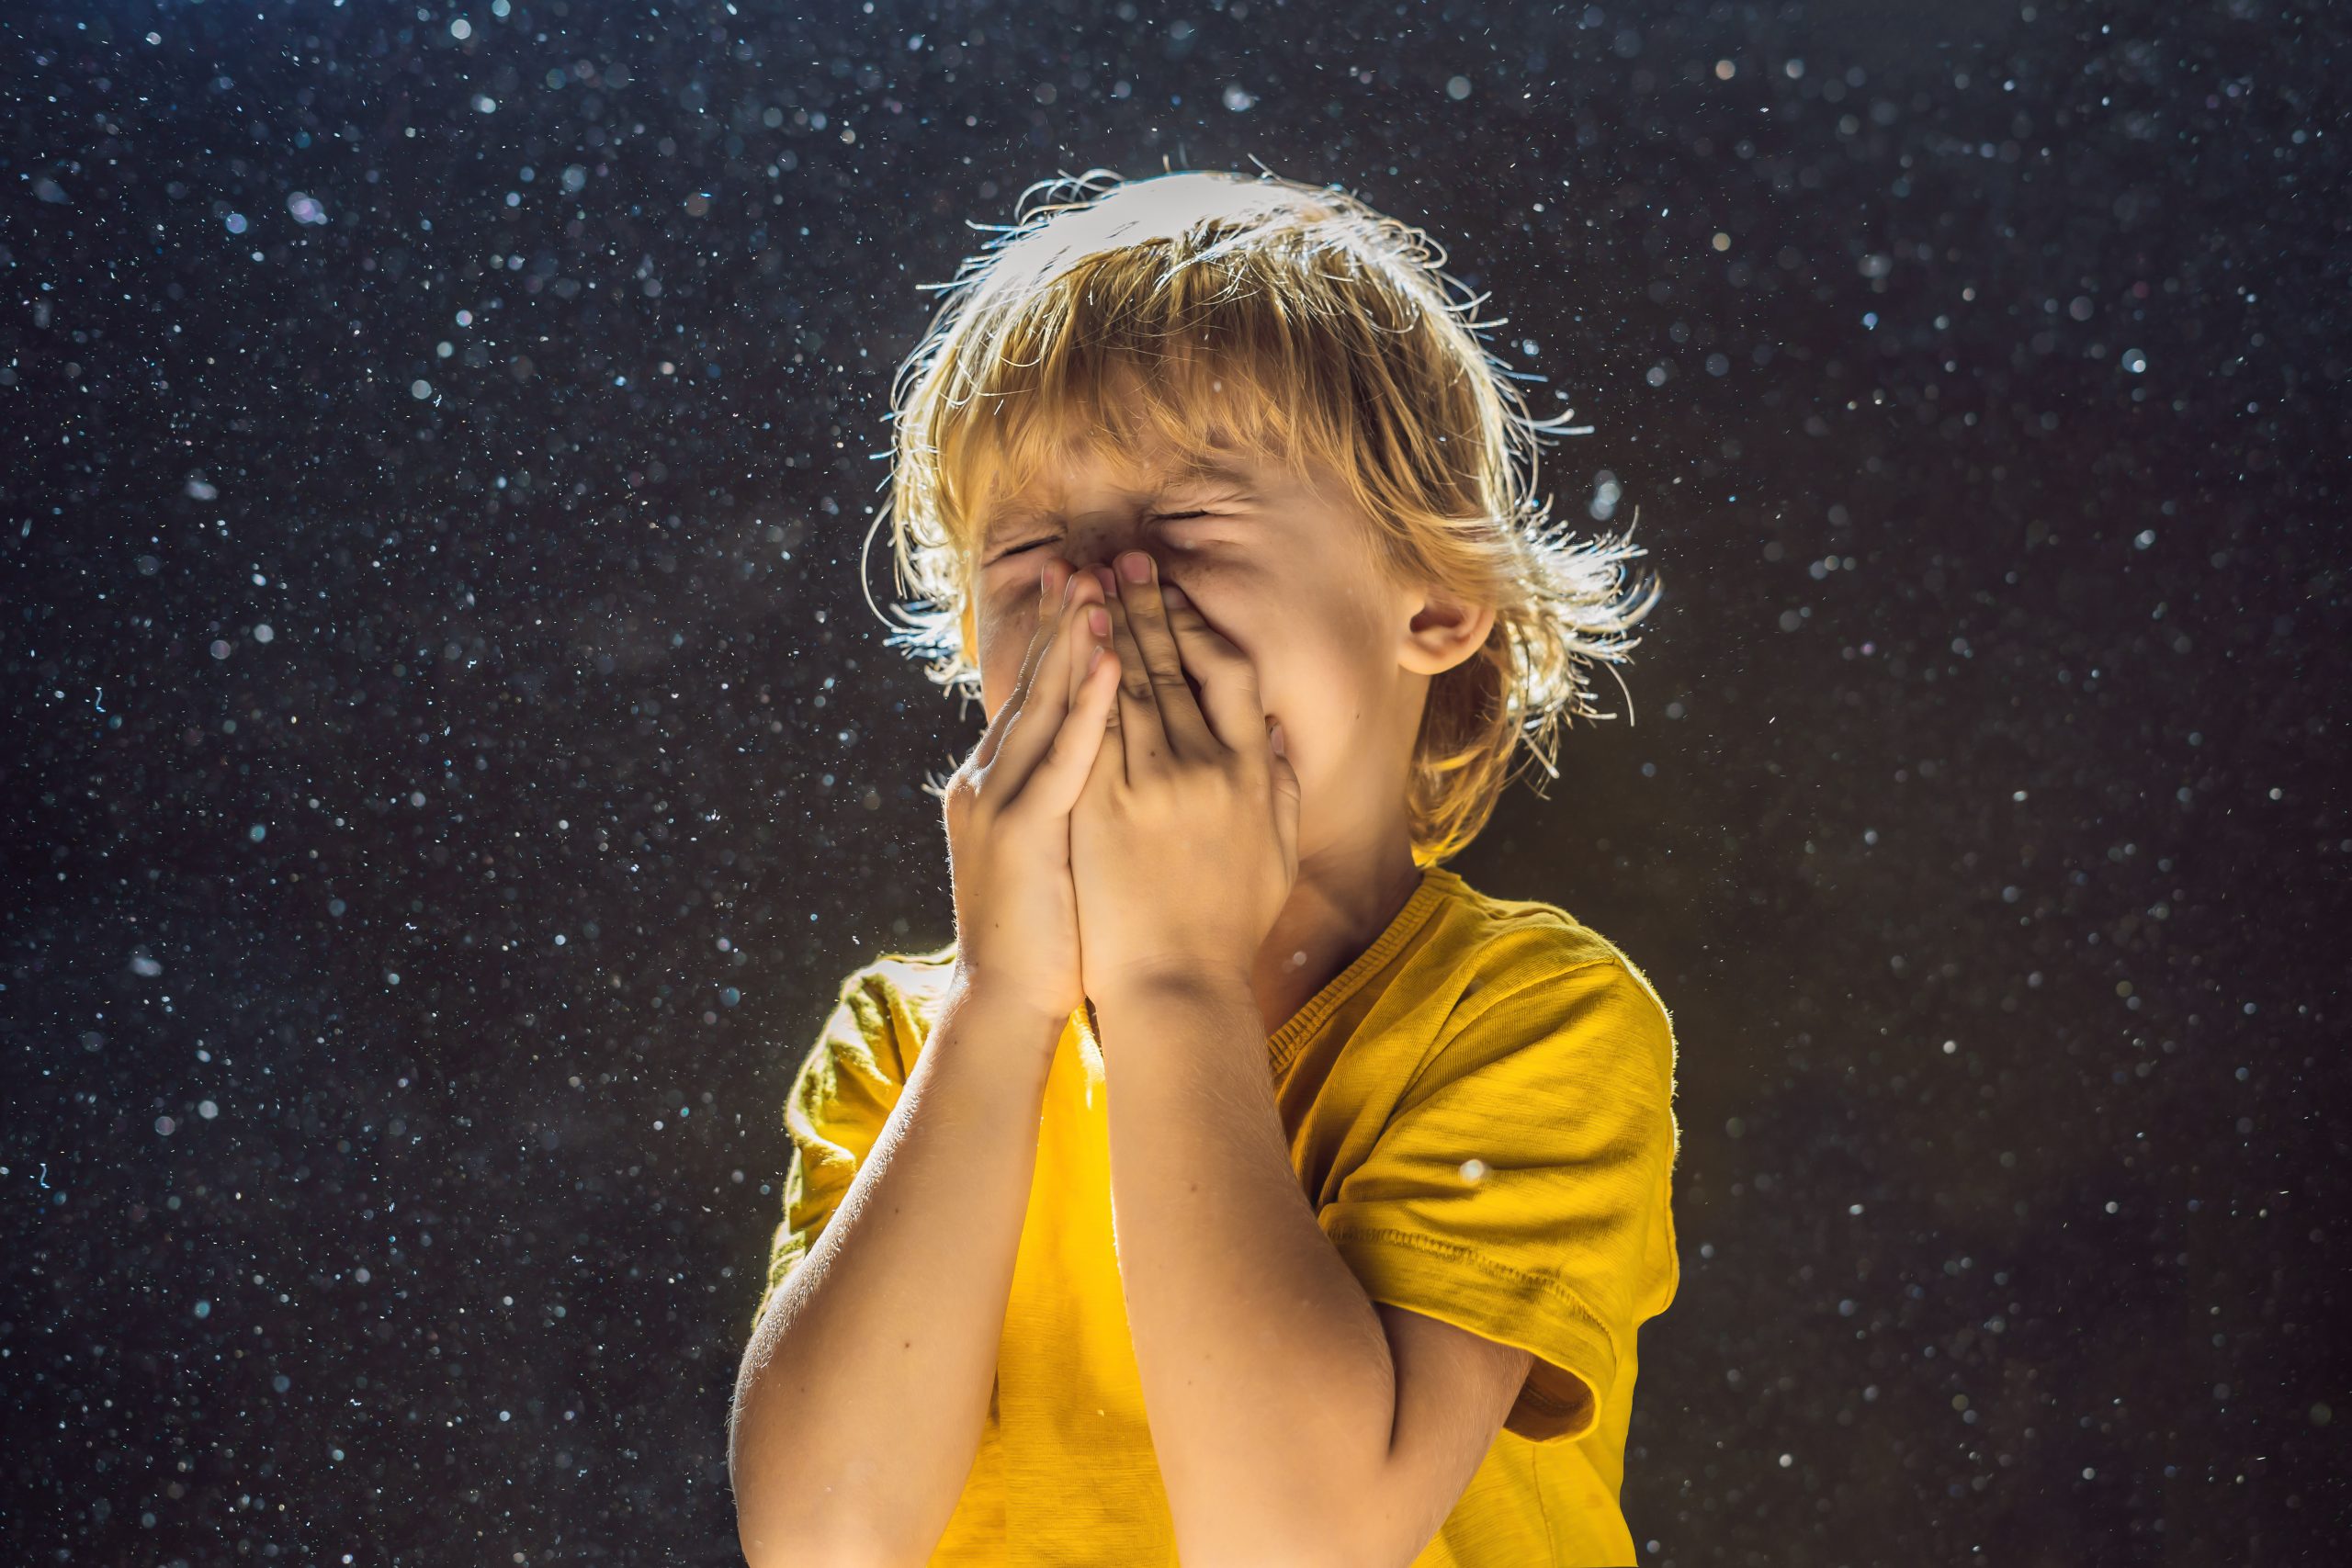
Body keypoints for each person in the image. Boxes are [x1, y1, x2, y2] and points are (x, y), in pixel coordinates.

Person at [730, 165, 1680, 1568]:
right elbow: (824, 1540)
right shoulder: (906, 1040)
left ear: (1437, 596)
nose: (1105, 603)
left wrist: (1171, 979)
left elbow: (1294, 1543)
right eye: (1032, 550)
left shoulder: (1532, 1023)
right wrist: (1003, 1005)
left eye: (1191, 525)